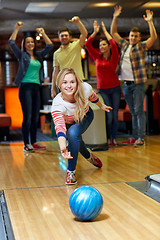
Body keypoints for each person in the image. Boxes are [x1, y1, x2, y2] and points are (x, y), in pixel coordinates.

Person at [51, 68, 112, 184]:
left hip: (86, 116)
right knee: (76, 141)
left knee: (73, 134)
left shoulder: (84, 88)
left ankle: (71, 172)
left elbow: (93, 97)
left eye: (72, 82)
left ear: (77, 83)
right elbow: (60, 127)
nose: (69, 86)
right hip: (69, 122)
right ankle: (89, 156)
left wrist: (101, 106)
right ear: (59, 84)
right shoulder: (57, 104)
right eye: (65, 82)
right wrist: (63, 147)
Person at [110, 6, 157, 146]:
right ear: (129, 36)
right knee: (133, 111)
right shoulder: (124, 45)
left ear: (139, 38)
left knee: (138, 111)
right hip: (126, 84)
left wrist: (150, 22)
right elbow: (113, 33)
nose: (133, 38)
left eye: (135, 36)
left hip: (138, 84)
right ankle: (134, 137)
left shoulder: (141, 46)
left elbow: (153, 37)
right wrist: (115, 17)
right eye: (131, 36)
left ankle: (140, 138)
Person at [9, 22, 53, 152]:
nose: (30, 44)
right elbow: (11, 42)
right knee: (27, 117)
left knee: (35, 117)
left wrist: (43, 33)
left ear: (34, 44)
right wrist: (17, 28)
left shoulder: (39, 56)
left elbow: (50, 45)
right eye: (27, 42)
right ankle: (26, 144)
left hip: (36, 88)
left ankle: (33, 142)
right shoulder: (22, 55)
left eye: (32, 42)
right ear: (24, 44)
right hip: (25, 87)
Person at [85, 21, 121, 147]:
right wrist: (94, 32)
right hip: (104, 90)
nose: (101, 47)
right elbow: (87, 44)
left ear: (108, 47)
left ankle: (113, 138)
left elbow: (114, 44)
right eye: (100, 45)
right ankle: (106, 138)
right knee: (109, 116)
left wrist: (105, 31)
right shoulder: (96, 57)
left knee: (115, 115)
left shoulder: (114, 56)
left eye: (104, 45)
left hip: (115, 89)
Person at [51, 16, 88, 98]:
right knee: (68, 108)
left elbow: (84, 34)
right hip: (64, 84)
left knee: (82, 106)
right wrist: (52, 88)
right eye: (62, 36)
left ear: (70, 37)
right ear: (59, 38)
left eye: (66, 35)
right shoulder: (56, 53)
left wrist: (78, 22)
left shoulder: (77, 46)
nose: (64, 37)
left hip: (78, 81)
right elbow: (55, 71)